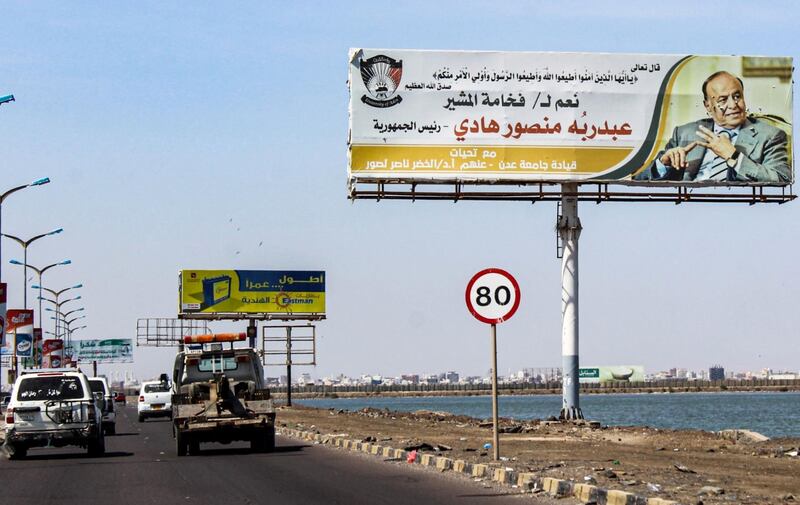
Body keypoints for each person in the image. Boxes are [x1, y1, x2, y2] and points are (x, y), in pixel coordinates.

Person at [635, 71, 790, 183]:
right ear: (708, 106)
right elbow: (638, 180)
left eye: (737, 96)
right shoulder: (684, 133)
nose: (733, 105)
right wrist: (662, 164)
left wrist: (734, 157)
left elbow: (782, 179)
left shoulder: (770, 135)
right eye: (723, 100)